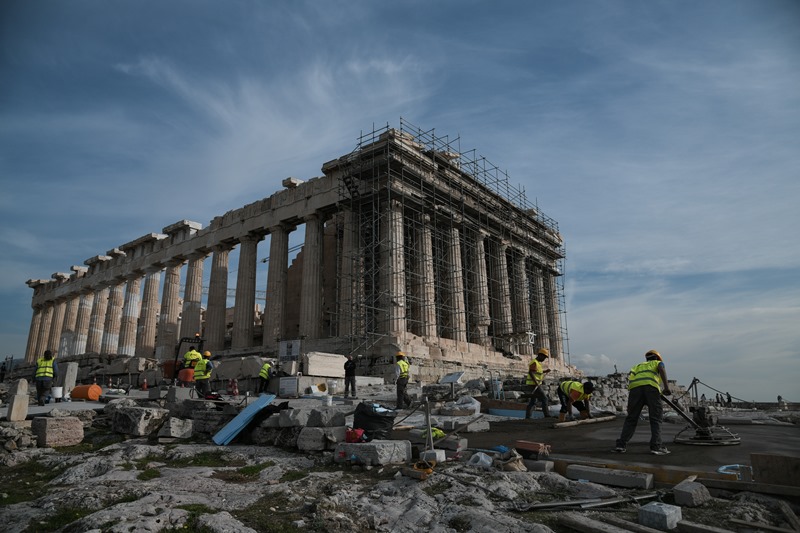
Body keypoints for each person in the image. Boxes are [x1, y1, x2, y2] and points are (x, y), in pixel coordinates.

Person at [614, 349, 672, 455]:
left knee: (631, 418)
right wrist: (666, 387)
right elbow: (661, 369)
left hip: (635, 390)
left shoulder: (638, 366)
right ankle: (656, 446)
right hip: (651, 389)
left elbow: (631, 377)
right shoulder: (658, 363)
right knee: (656, 418)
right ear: (657, 358)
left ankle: (621, 445)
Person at [525, 348, 552, 419]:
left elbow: (537, 372)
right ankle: (547, 415)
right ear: (540, 355)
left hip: (534, 384)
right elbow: (531, 372)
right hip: (533, 385)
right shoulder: (534, 362)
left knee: (533, 401)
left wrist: (545, 371)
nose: (544, 359)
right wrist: (536, 383)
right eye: (544, 357)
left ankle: (528, 417)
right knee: (544, 398)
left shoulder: (538, 363)